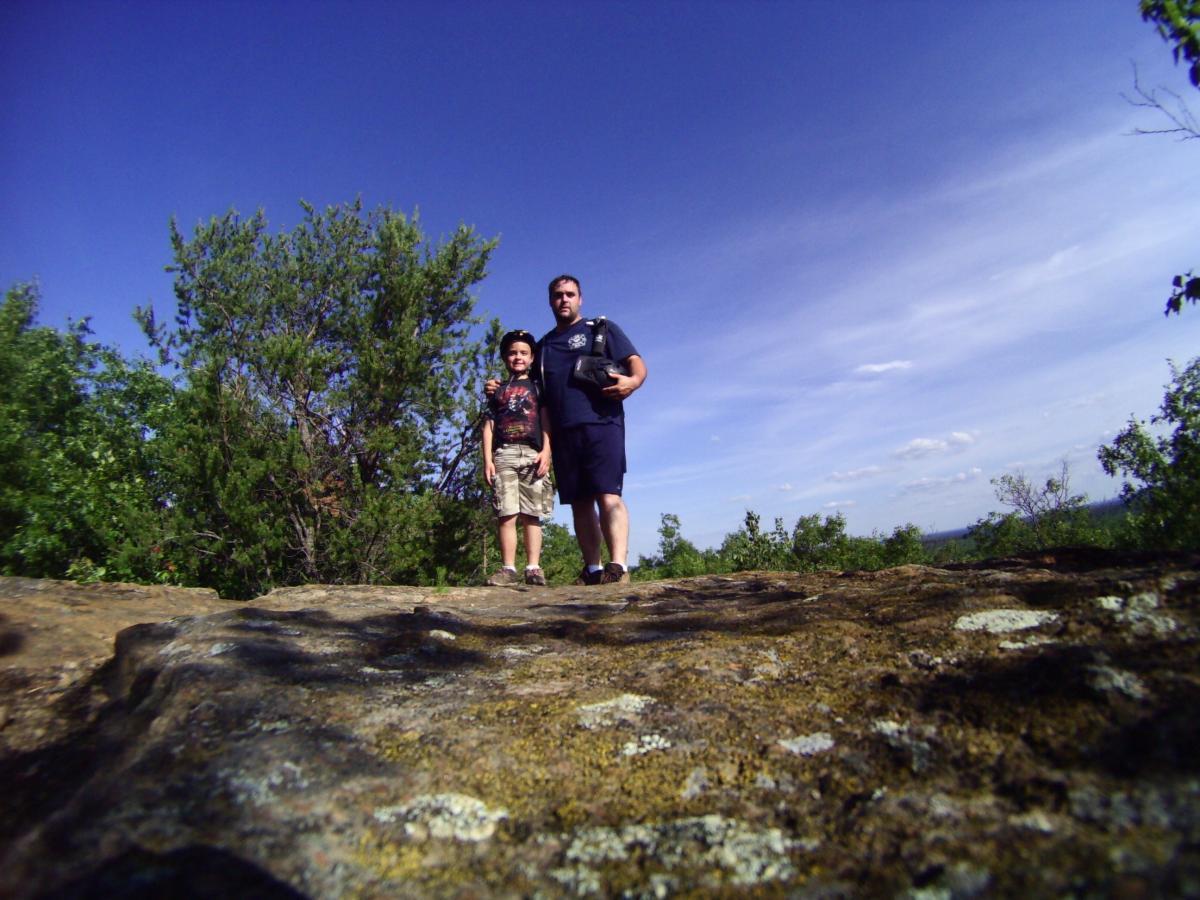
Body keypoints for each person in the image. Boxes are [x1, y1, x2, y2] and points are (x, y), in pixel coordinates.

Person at [533, 274, 647, 585]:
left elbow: (637, 365)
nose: (564, 300)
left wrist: (632, 383)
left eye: (570, 294)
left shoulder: (600, 330)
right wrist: (494, 388)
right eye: (558, 295)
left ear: (580, 298)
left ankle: (618, 566)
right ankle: (593, 569)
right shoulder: (542, 348)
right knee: (580, 502)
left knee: (608, 495)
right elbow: (531, 391)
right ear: (550, 301)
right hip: (564, 432)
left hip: (602, 424)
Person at [481, 330, 554, 586]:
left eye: (523, 353)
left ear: (532, 357)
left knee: (532, 514)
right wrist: (487, 460)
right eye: (512, 353)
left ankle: (533, 568)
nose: (518, 357)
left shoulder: (538, 386)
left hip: (533, 454)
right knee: (506, 513)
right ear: (504, 357)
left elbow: (546, 420)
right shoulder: (497, 390)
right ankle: (508, 569)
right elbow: (488, 425)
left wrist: (547, 450)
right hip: (504, 454)